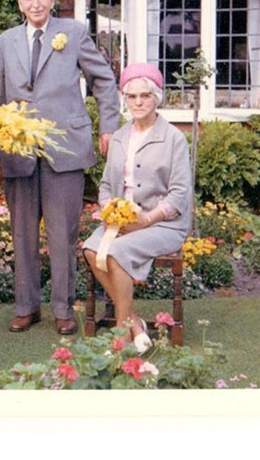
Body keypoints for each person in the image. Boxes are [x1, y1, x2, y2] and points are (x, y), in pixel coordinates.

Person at [0, 0, 120, 335]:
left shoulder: (74, 32)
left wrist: (107, 126)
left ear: (52, 1)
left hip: (66, 149)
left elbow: (104, 81)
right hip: (19, 151)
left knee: (63, 235)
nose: (35, 3)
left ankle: (63, 308)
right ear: (20, 3)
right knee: (22, 235)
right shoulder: (5, 42)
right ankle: (26, 307)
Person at [82, 63, 191, 353]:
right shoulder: (118, 137)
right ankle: (134, 322)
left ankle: (120, 335)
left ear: (157, 97)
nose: (139, 102)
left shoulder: (174, 139)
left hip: (162, 225)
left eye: (145, 96)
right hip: (121, 223)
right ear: (125, 100)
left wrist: (147, 220)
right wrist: (109, 211)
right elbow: (106, 186)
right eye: (132, 97)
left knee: (115, 252)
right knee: (91, 250)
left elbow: (180, 194)